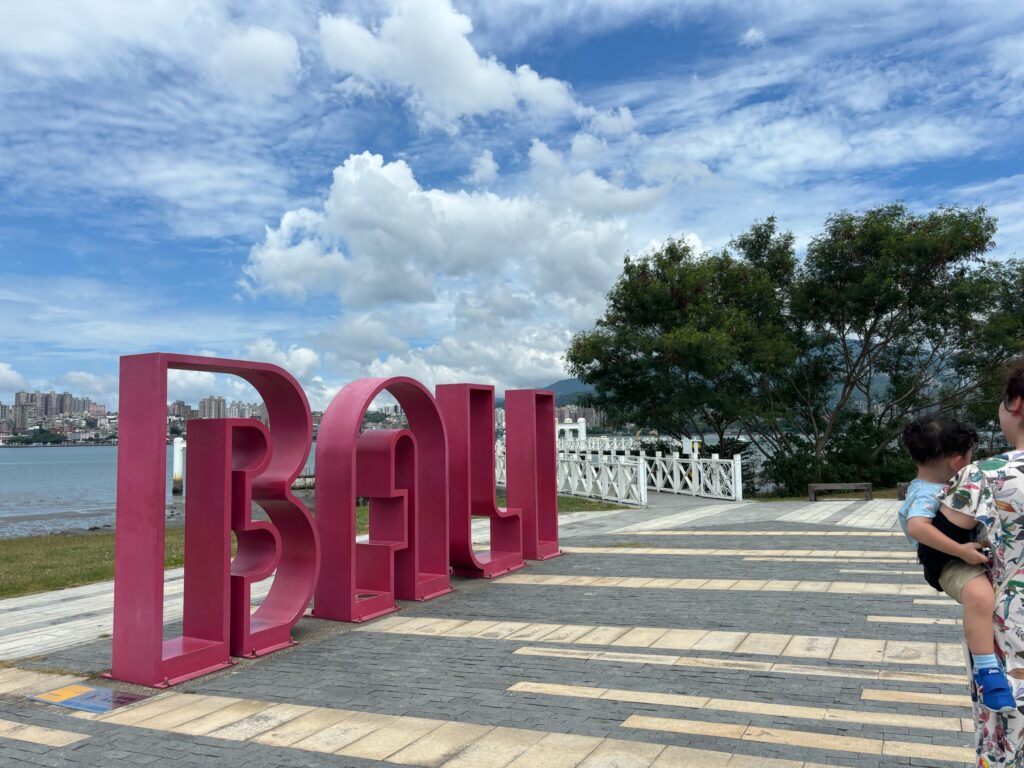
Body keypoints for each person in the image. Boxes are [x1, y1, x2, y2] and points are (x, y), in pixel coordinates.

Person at [899, 414, 1016, 713]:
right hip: (949, 562)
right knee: (980, 596)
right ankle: (988, 672)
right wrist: (961, 551)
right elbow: (917, 528)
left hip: (962, 554)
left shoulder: (941, 484)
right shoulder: (926, 492)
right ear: (957, 461)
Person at [939, 360, 1024, 764]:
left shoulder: (984, 476)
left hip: (1012, 632)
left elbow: (938, 542)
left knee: (1007, 739)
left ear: (1016, 404)